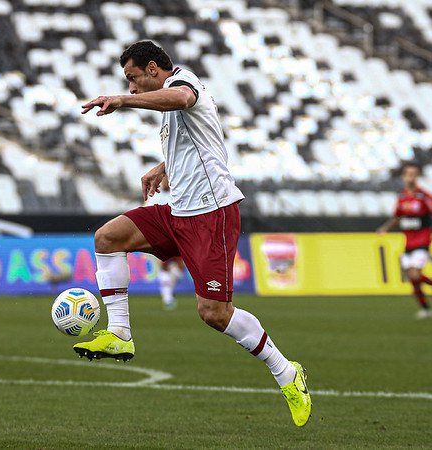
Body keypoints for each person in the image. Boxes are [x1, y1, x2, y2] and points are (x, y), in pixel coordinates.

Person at [77, 41, 311, 426]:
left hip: (212, 214)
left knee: (214, 314)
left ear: (154, 68)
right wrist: (163, 166)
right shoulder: (171, 104)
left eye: (134, 79)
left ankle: (287, 373)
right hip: (179, 210)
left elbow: (182, 98)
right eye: (127, 85)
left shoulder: (185, 82)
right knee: (108, 238)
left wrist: (122, 101)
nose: (133, 88)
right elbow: (199, 140)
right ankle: (119, 332)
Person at [378, 162, 432, 318]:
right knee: (412, 278)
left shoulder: (424, 196)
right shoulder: (402, 197)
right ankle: (426, 307)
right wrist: (385, 228)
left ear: (417, 176)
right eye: (408, 174)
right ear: (404, 176)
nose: (411, 177)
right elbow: (397, 217)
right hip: (408, 242)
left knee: (415, 274)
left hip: (423, 241)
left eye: (413, 174)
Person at [143, 176, 184, 310]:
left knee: (179, 269)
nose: (167, 182)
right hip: (162, 236)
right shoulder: (154, 196)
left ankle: (168, 291)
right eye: (165, 179)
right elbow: (145, 214)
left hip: (178, 236)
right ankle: (167, 298)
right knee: (165, 265)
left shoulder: (176, 194)